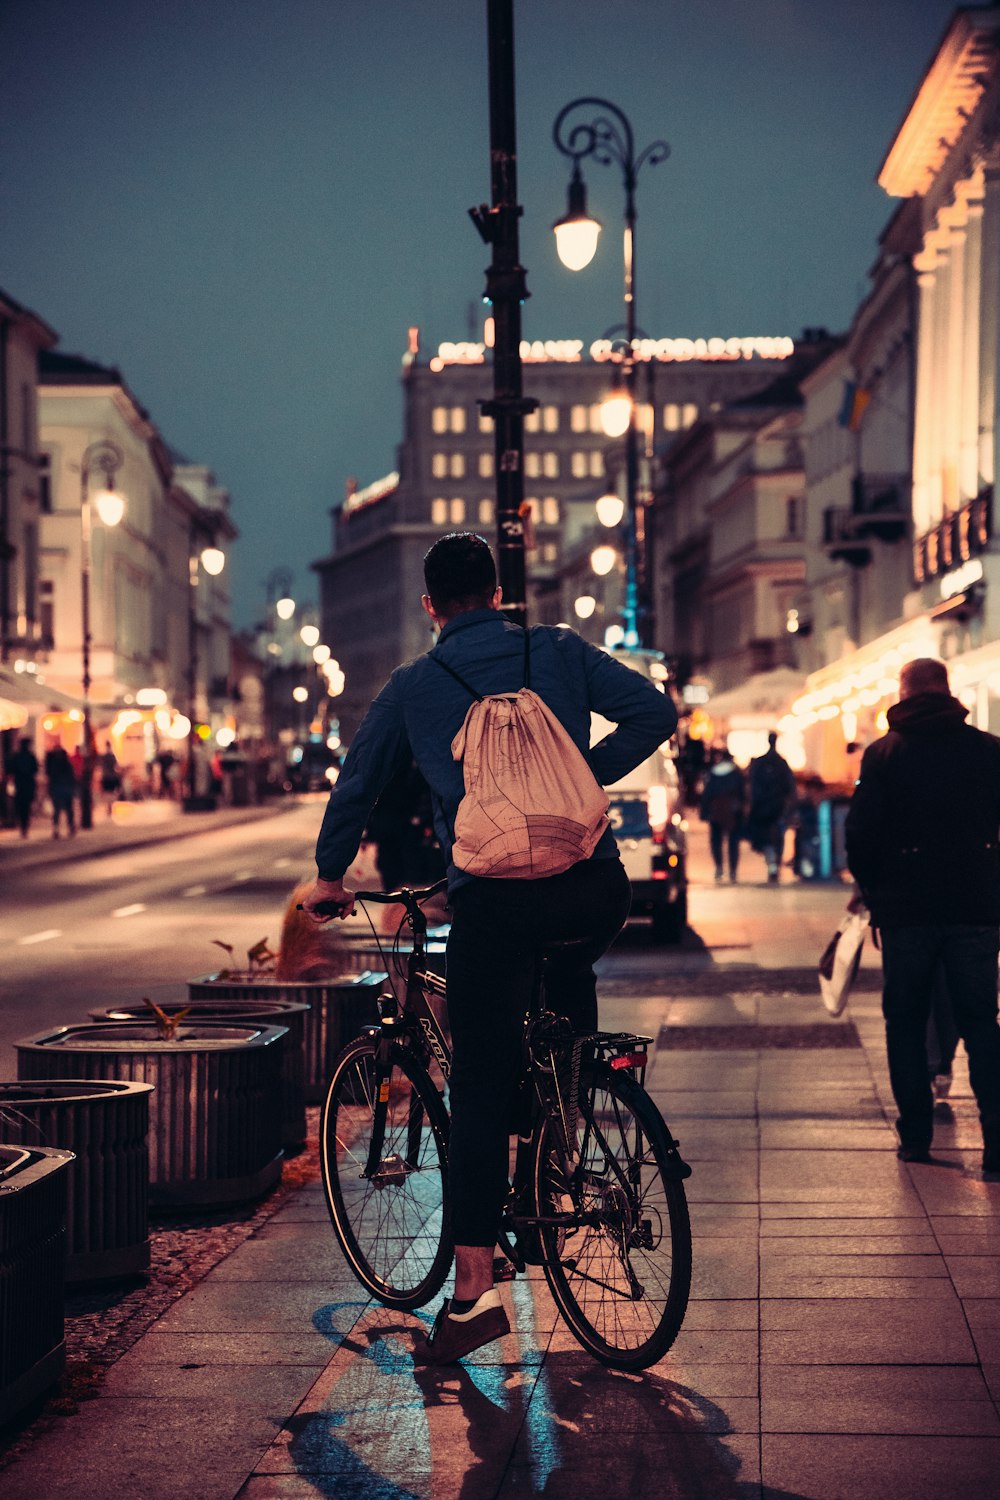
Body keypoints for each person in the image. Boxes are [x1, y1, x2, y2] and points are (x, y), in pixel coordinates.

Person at [301, 532, 676, 1363]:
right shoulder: (561, 650)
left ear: (431, 605)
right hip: (592, 890)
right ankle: (563, 1142)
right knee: (566, 1000)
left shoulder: (416, 685)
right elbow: (656, 711)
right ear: (500, 589)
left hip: (496, 900)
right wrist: (582, 771)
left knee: (476, 1083)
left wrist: (331, 876)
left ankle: (473, 1297)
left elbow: (356, 784)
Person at [845, 657, 1000, 1173]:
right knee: (981, 1023)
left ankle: (915, 1136)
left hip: (906, 911)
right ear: (947, 691)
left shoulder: (884, 755)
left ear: (904, 694)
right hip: (977, 909)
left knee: (906, 1021)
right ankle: (997, 1145)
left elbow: (861, 835)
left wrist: (872, 890)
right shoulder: (988, 750)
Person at [747, 730, 796, 882]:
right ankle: (775, 864)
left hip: (762, 808)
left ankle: (772, 864)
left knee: (766, 838)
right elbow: (790, 787)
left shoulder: (759, 763)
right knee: (778, 838)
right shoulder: (782, 763)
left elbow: (752, 786)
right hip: (778, 807)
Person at [699, 746, 744, 882]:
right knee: (733, 842)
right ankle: (733, 871)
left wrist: (705, 811)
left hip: (716, 811)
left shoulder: (712, 773)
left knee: (716, 841)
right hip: (732, 812)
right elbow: (742, 793)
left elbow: (706, 794)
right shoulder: (736, 773)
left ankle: (719, 867)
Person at [44, 743, 77, 838]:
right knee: (65, 810)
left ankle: (58, 829)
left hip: (60, 789)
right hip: (63, 789)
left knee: (59, 810)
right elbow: (72, 778)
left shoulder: (54, 765)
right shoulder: (65, 765)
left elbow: (51, 777)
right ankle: (65, 828)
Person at [9, 737, 39, 838]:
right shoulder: (29, 757)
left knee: (22, 807)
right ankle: (24, 827)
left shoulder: (18, 756)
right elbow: (35, 769)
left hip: (21, 785)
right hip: (25, 785)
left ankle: (23, 827)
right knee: (25, 808)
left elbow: (11, 769)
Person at [99, 743, 121, 816]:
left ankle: (108, 807)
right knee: (111, 792)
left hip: (106, 776)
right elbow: (116, 765)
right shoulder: (112, 756)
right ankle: (110, 807)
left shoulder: (104, 757)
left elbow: (101, 766)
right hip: (111, 776)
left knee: (107, 793)